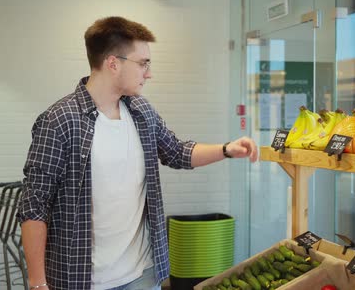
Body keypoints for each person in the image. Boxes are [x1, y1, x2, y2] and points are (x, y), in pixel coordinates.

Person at [17, 16, 258, 290]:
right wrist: (38, 283)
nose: (149, 72)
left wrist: (226, 150)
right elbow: (34, 207)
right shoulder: (60, 121)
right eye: (143, 63)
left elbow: (177, 152)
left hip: (141, 275)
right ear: (113, 63)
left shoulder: (141, 111)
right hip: (79, 279)